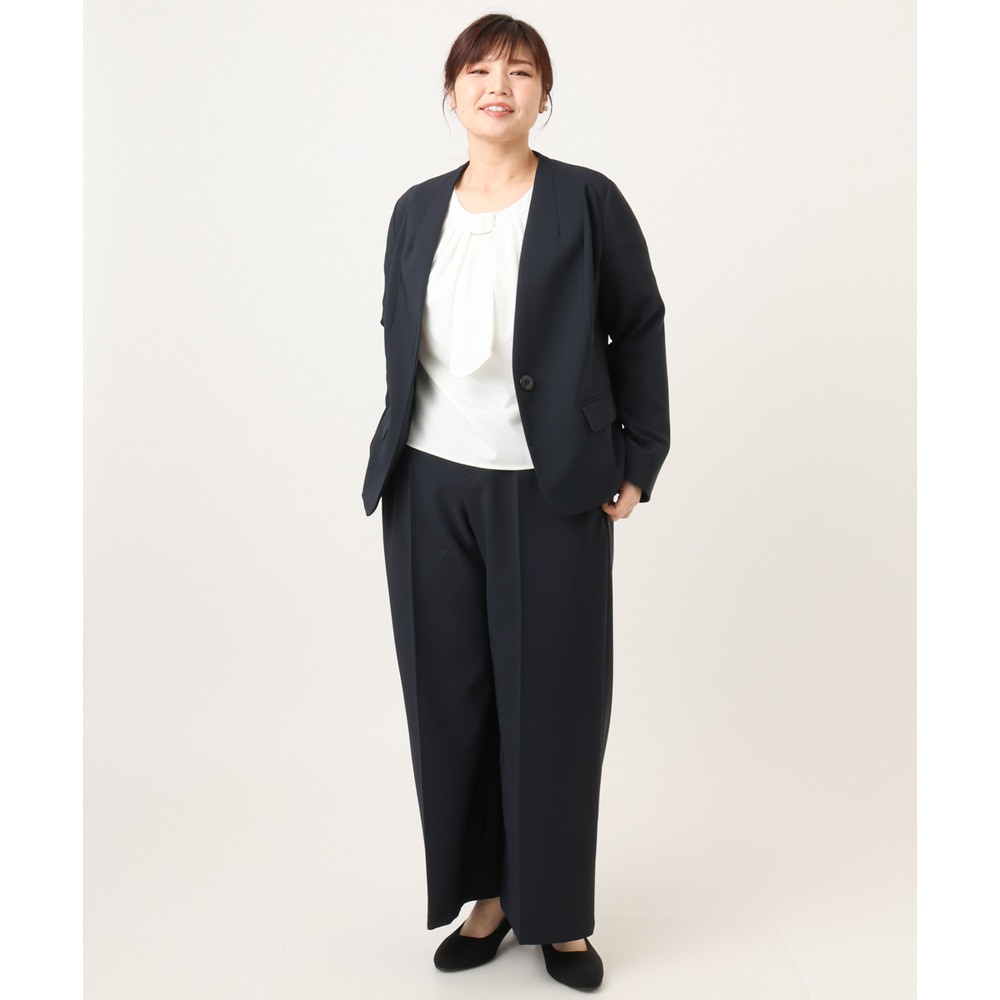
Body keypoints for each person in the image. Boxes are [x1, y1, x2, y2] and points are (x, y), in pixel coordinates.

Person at [361, 13, 669, 992]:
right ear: (452, 91)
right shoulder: (416, 210)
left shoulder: (586, 200)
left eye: (521, 72)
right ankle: (487, 898)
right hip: (427, 485)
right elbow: (396, 329)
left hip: (551, 488)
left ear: (544, 96)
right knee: (451, 702)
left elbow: (638, 323)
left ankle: (558, 914)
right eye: (480, 70)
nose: (499, 86)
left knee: (555, 703)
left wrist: (638, 454)